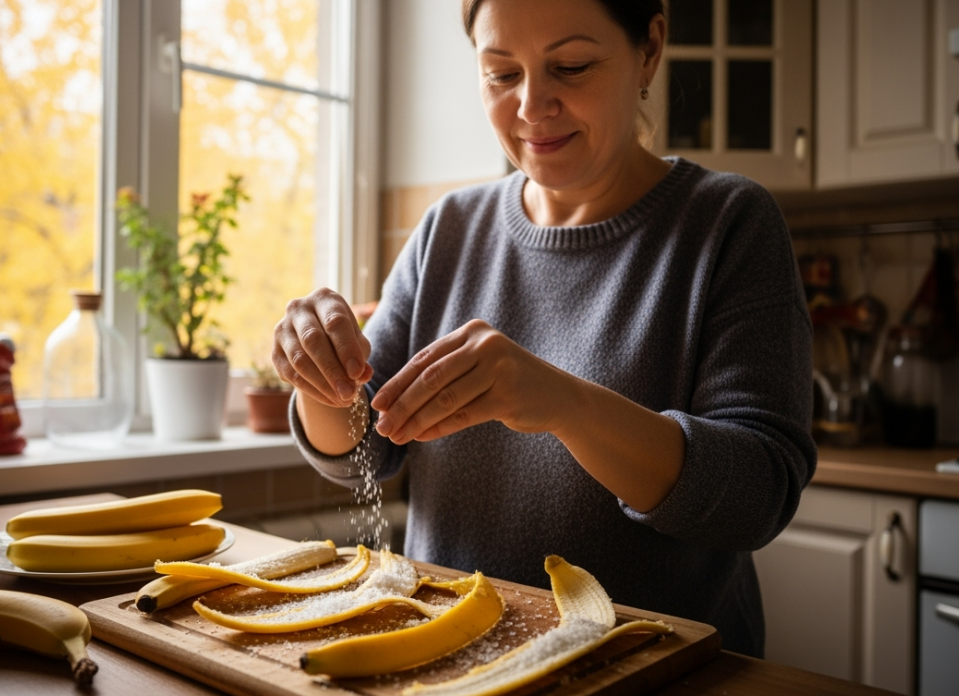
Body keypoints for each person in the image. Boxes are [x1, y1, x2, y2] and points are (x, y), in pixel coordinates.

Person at [272, 0, 815, 657]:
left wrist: (565, 404)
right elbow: (364, 443)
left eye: (572, 66)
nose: (532, 104)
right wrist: (319, 375)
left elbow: (756, 496)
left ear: (649, 48)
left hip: (650, 671)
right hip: (452, 665)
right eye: (502, 74)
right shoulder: (448, 230)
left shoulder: (729, 223)